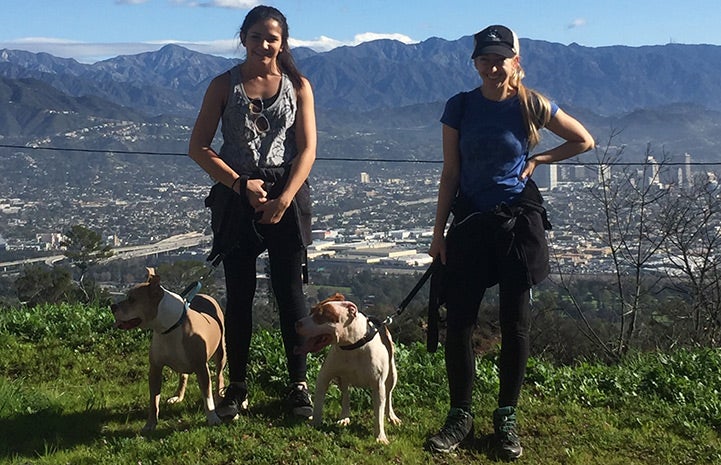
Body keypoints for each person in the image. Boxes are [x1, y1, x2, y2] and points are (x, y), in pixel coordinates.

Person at [426, 25, 594, 460]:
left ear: (514, 62)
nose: (493, 66)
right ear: (475, 63)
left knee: (515, 324)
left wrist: (539, 158)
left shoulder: (531, 103)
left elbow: (583, 140)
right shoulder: (459, 107)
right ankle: (460, 414)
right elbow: (451, 174)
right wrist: (438, 232)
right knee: (459, 322)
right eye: (485, 59)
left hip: (517, 224)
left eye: (501, 58)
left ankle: (506, 416)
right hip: (470, 223)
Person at [188, 5, 317, 419]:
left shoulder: (298, 86)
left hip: (287, 195)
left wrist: (284, 199)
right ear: (243, 38)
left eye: (273, 38)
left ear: (283, 42)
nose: (265, 44)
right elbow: (199, 147)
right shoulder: (223, 86)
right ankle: (238, 387)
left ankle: (298, 385)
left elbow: (308, 149)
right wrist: (240, 185)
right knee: (239, 295)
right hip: (236, 198)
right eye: (257, 36)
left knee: (290, 293)